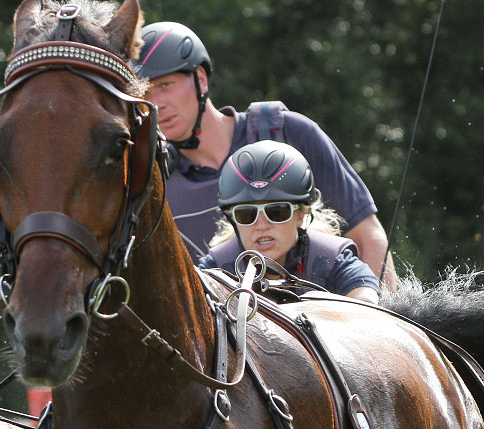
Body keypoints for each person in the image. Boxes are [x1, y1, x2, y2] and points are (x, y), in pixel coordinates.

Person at [134, 21, 396, 289]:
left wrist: (377, 322)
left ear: (200, 79)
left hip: (332, 319)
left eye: (165, 85)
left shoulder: (290, 133)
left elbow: (368, 239)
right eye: (143, 92)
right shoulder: (152, 180)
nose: (156, 103)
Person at [199, 141, 379, 304]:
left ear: (301, 214)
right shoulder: (215, 268)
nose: (261, 225)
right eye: (246, 214)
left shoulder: (330, 259)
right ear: (233, 221)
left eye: (276, 212)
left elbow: (366, 297)